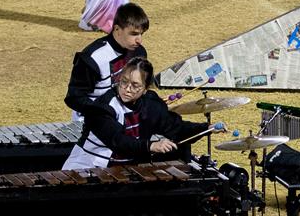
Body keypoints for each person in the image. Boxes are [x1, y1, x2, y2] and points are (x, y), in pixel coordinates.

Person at [63, 57, 225, 170]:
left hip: (125, 170)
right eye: (124, 81)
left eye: (135, 85)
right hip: (88, 166)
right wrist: (151, 146)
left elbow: (175, 128)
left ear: (145, 89)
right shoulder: (103, 107)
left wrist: (206, 128)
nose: (127, 89)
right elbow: (118, 141)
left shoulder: (149, 104)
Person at [66, 2, 149, 122]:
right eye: (134, 34)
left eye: (142, 34)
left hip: (123, 117)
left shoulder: (139, 53)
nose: (139, 40)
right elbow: (74, 98)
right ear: (117, 29)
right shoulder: (92, 57)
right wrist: (103, 110)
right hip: (91, 121)